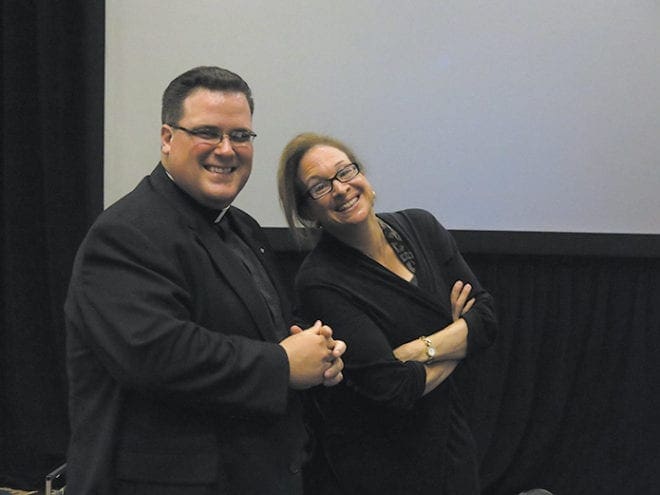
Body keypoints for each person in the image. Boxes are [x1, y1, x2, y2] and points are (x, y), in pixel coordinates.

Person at [64, 68, 345, 495]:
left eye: (241, 136)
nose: (226, 150)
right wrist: (285, 365)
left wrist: (314, 353)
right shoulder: (125, 232)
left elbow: (259, 330)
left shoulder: (243, 227)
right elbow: (154, 353)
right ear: (166, 138)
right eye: (208, 132)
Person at [277, 132, 498, 494]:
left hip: (450, 442)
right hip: (382, 464)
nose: (341, 188)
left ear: (363, 176)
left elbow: (487, 320)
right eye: (320, 186)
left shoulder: (421, 227)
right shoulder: (319, 280)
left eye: (346, 172)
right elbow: (393, 386)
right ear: (307, 211)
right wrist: (459, 334)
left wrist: (417, 351)